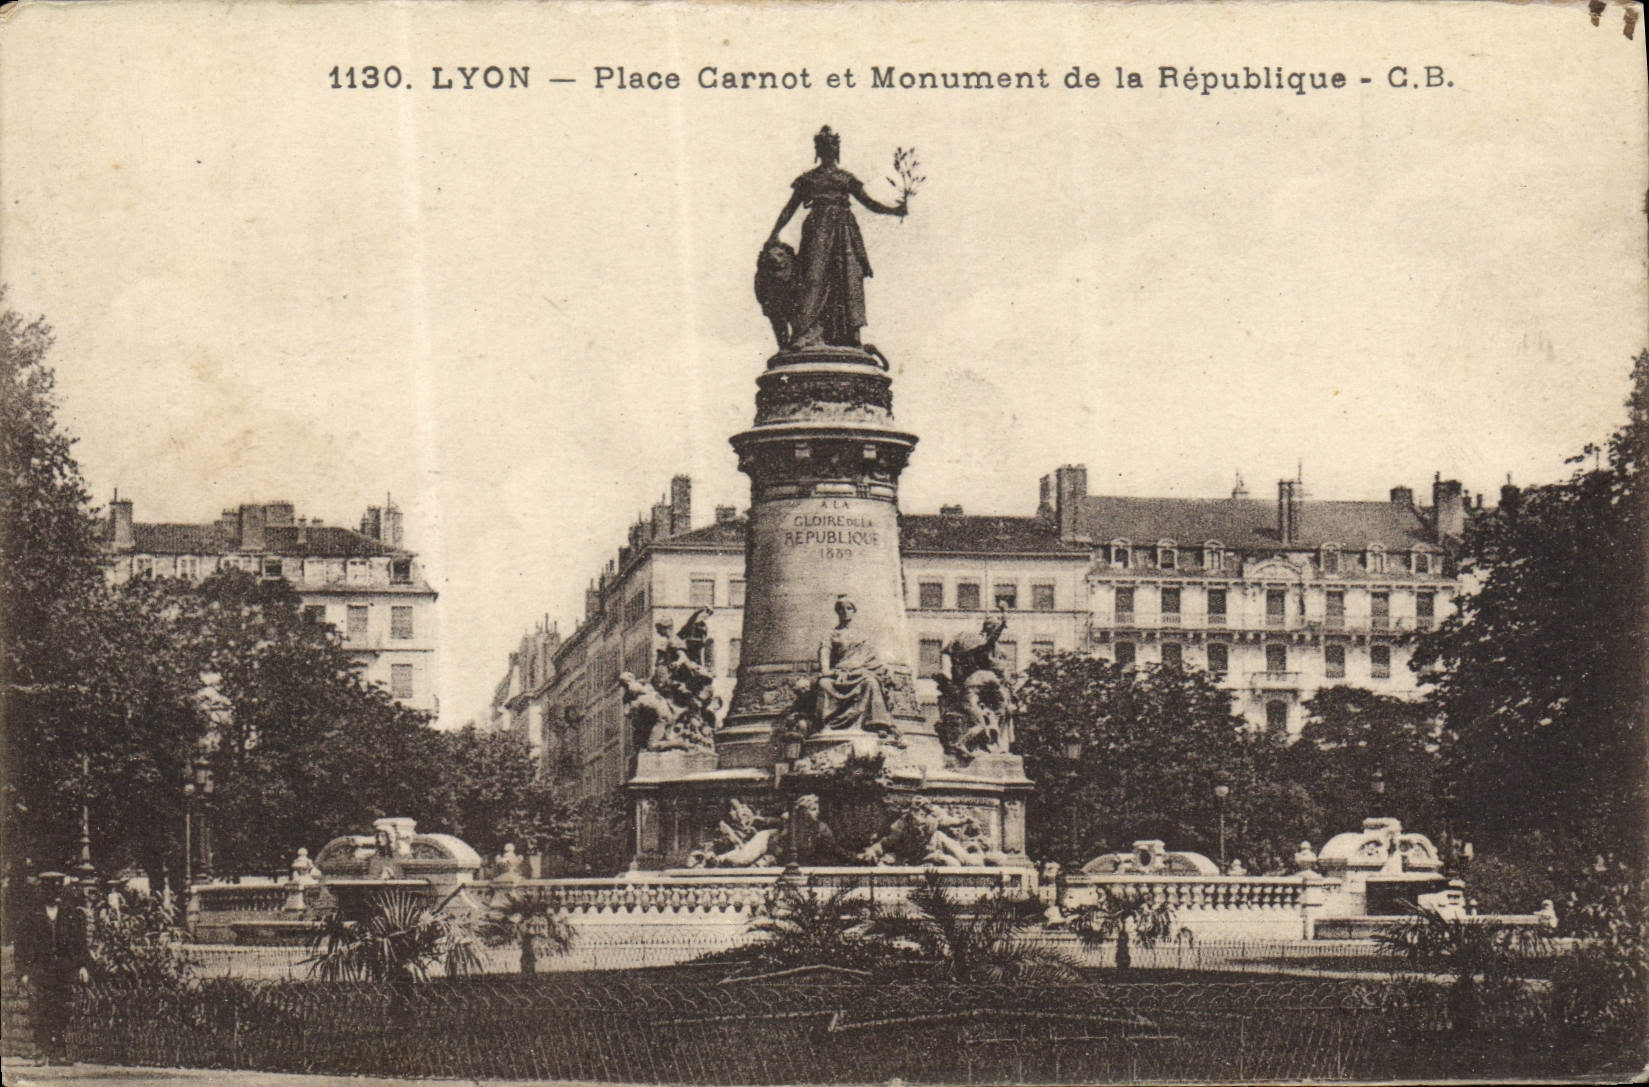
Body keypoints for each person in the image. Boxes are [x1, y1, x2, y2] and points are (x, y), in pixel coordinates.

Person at [767, 126, 907, 349]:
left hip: (844, 231)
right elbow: (789, 208)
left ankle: (848, 336)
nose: (829, 149)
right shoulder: (808, 179)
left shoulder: (846, 179)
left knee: (847, 279)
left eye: (833, 145)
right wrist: (774, 233)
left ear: (837, 149)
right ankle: (806, 332)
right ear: (818, 149)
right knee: (812, 277)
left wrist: (894, 210)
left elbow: (869, 203)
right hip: (818, 230)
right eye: (824, 146)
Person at [14, 872, 90, 1064]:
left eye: (57, 890)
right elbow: (21, 947)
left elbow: (80, 944)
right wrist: (23, 972)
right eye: (49, 890)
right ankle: (41, 1050)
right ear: (42, 891)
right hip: (40, 971)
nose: (54, 894)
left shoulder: (71, 914)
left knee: (61, 1009)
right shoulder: (31, 916)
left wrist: (82, 966)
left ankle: (58, 1052)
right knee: (40, 1009)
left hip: (62, 971)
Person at [811, 596, 896, 738]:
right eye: (841, 609)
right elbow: (824, 653)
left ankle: (877, 723)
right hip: (840, 674)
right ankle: (827, 723)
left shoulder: (862, 635)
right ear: (837, 612)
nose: (845, 612)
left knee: (870, 682)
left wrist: (884, 669)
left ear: (854, 611)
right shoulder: (831, 634)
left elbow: (873, 657)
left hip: (860, 673)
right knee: (824, 684)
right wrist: (827, 671)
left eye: (849, 608)